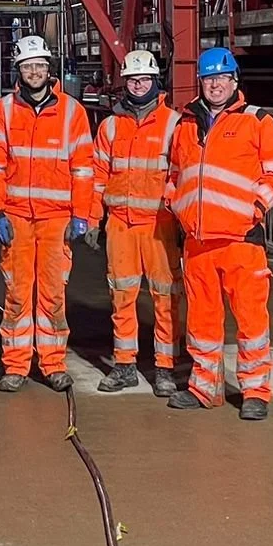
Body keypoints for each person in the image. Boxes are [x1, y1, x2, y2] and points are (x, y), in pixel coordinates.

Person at [166, 47, 273, 420]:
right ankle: (205, 388)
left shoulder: (257, 121)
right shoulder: (185, 125)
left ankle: (255, 391)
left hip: (241, 241)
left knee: (251, 319)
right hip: (199, 242)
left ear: (235, 80)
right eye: (209, 78)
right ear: (201, 82)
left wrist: (254, 210)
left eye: (222, 77)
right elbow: (174, 175)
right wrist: (177, 208)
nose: (215, 84)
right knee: (202, 320)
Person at [0, 35, 97, 392]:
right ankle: (16, 365)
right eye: (28, 66)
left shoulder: (71, 112)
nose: (34, 72)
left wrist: (83, 215)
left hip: (56, 219)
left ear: (50, 70)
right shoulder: (4, 111)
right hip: (16, 216)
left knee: (52, 293)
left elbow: (83, 168)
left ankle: (52, 363)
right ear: (19, 71)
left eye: (40, 66)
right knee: (17, 292)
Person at [92, 49, 184, 396]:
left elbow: (181, 174)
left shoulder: (174, 125)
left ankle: (164, 369)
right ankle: (125, 364)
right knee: (122, 296)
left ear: (154, 82)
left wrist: (178, 216)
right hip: (119, 224)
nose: (138, 85)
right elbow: (97, 175)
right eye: (132, 80)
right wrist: (91, 219)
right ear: (124, 83)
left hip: (159, 224)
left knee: (165, 297)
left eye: (143, 79)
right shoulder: (111, 126)